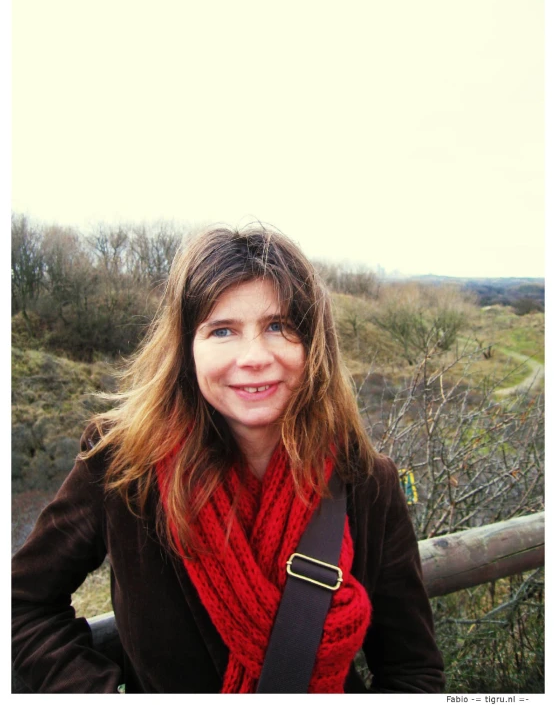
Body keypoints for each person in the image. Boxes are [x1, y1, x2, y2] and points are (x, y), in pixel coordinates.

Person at [12, 225, 445, 693]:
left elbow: (411, 671)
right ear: (186, 349)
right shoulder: (122, 461)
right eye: (222, 330)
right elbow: (22, 605)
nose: (254, 356)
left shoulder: (366, 481)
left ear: (314, 345)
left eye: (279, 326)